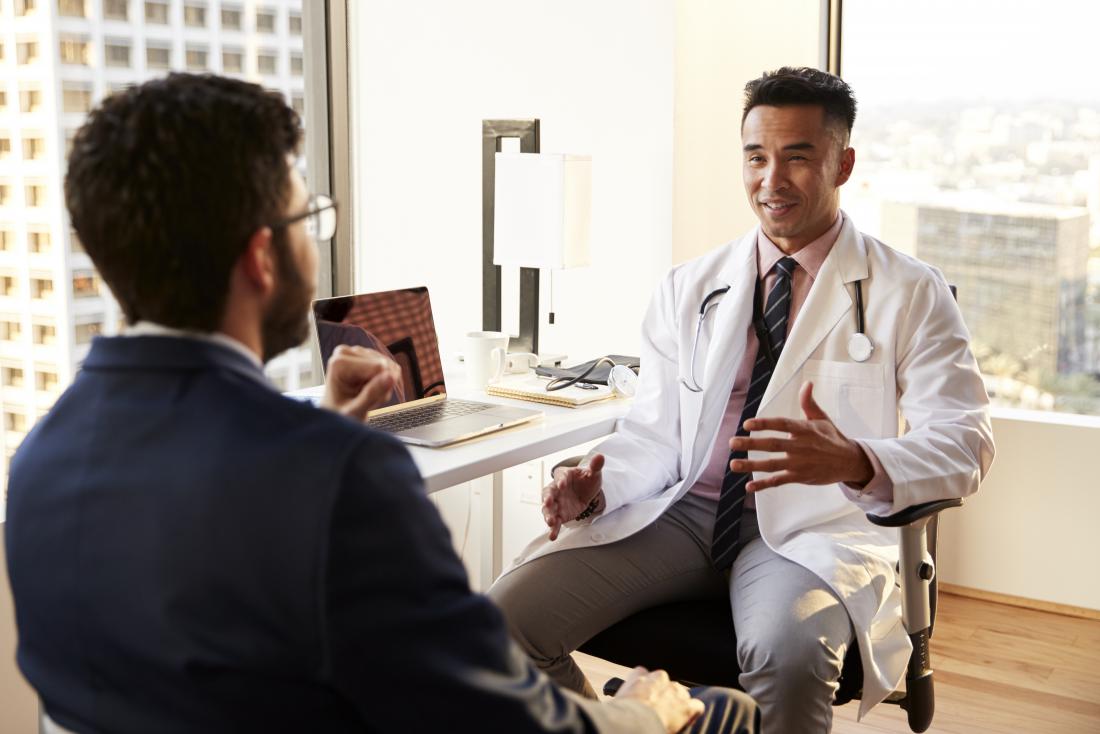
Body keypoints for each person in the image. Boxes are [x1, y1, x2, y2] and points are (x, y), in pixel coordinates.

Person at [3, 74, 758, 734]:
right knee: (721, 711)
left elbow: (208, 579)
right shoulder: (339, 477)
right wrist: (644, 713)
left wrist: (321, 431)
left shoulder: (43, 458)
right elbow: (494, 718)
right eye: (309, 221)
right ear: (262, 257)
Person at [489, 66, 996, 732]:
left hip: (810, 532)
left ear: (843, 163)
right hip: (683, 514)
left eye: (797, 157)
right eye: (756, 156)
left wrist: (856, 461)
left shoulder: (909, 291)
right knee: (500, 624)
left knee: (785, 657)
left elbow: (967, 440)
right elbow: (653, 434)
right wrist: (597, 488)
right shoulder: (691, 285)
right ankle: (639, 723)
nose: (771, 179)